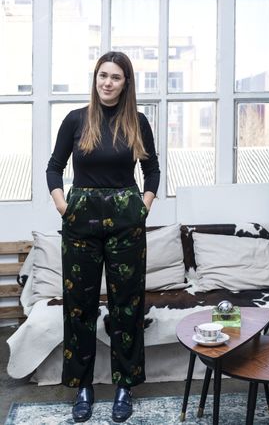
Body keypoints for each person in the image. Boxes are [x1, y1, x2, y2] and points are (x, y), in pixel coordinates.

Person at [46, 51, 160, 423]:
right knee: (79, 305)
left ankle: (124, 386)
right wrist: (64, 207)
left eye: (115, 77)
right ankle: (83, 386)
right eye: (102, 76)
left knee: (127, 305)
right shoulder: (76, 120)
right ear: (95, 79)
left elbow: (152, 169)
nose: (107, 83)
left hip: (126, 221)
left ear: (126, 83)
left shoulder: (138, 122)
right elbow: (54, 167)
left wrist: (142, 206)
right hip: (81, 222)